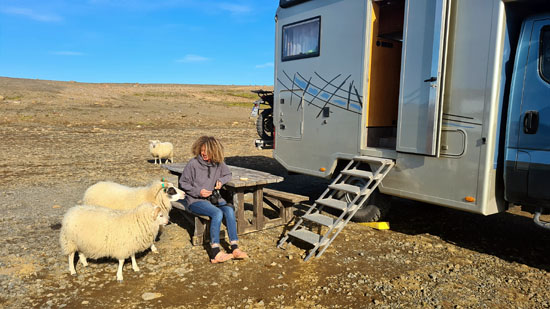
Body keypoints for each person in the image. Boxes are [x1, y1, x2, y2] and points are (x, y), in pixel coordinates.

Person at [179, 136, 249, 263]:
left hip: (214, 199)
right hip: (195, 201)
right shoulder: (193, 164)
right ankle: (215, 253)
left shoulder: (219, 163)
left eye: (207, 150)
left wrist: (221, 181)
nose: (203, 153)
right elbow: (183, 183)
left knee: (228, 210)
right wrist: (198, 191)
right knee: (217, 213)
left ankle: (235, 248)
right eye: (202, 150)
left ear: (214, 151)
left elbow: (228, 174)